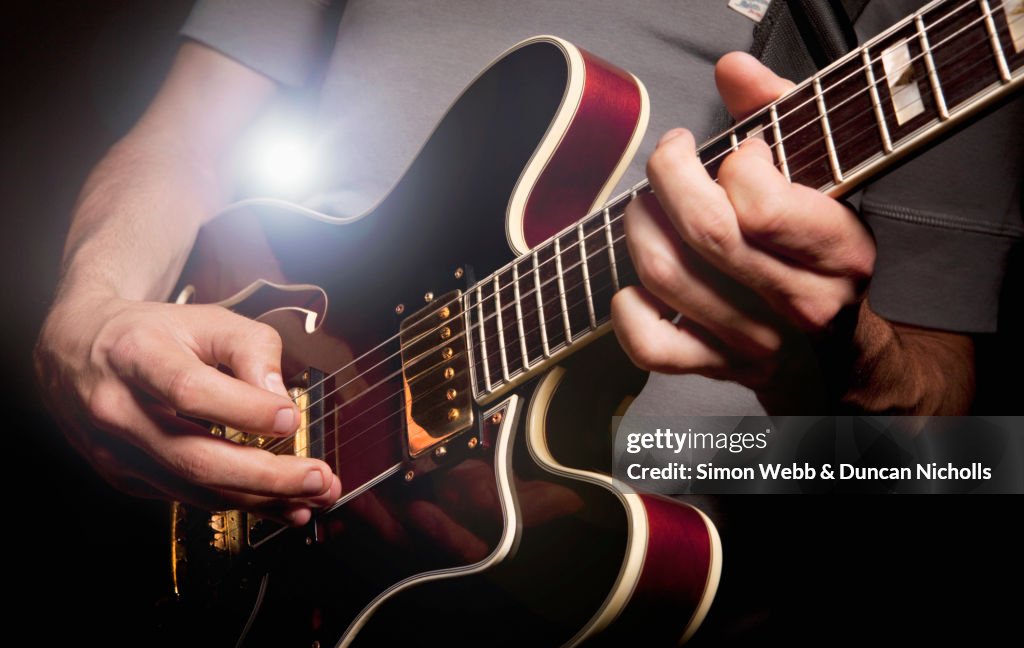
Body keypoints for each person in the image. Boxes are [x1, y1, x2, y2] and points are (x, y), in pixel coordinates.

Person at [33, 1, 1021, 519]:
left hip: (639, 591)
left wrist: (848, 370)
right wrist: (89, 313)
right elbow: (189, 136)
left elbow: (957, 459)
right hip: (298, 512)